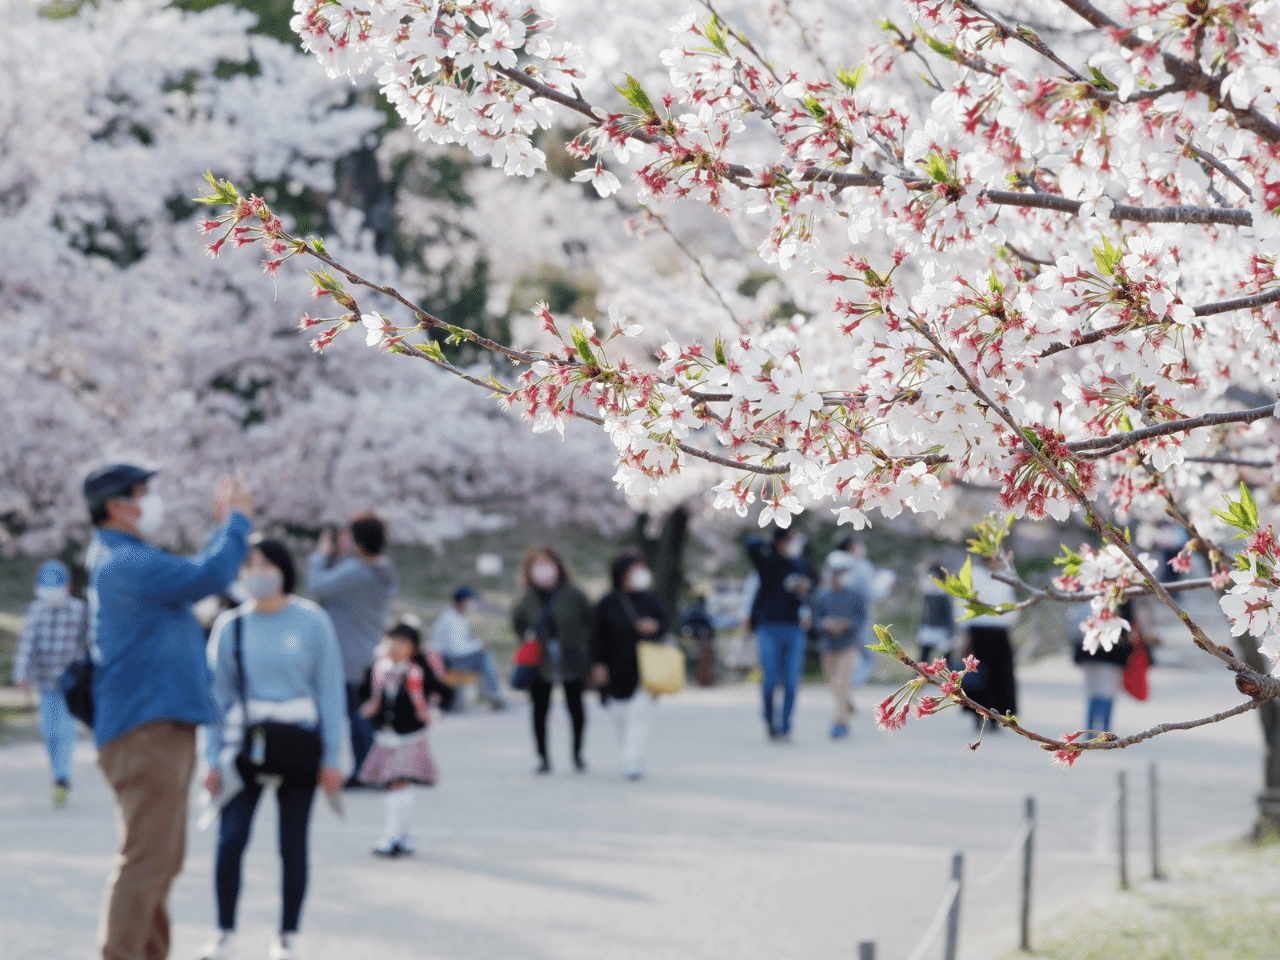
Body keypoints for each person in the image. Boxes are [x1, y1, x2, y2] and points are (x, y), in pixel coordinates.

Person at [84, 463, 253, 960]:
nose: (152, 501)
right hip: (146, 729)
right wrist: (238, 520)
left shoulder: (124, 559)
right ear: (118, 507)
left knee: (159, 861)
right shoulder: (127, 562)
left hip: (152, 727)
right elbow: (211, 573)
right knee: (146, 862)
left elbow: (196, 576)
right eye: (143, 493)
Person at [200, 538, 346, 960]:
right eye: (249, 565)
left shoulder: (312, 621)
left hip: (299, 743)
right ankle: (224, 932)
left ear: (284, 569)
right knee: (231, 840)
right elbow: (216, 696)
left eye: (266, 563)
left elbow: (331, 692)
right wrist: (209, 758)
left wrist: (332, 757)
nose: (257, 572)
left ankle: (286, 936)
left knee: (292, 843)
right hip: (243, 744)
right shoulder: (232, 626)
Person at [307, 514, 398, 784]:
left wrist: (321, 554)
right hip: (371, 648)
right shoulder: (385, 568)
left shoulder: (355, 571)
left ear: (357, 542)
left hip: (348, 656)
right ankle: (371, 769)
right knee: (364, 714)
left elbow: (317, 585)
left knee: (357, 716)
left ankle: (365, 771)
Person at [357, 622, 452, 855]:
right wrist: (367, 708)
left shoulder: (418, 671)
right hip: (385, 736)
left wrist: (433, 710)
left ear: (414, 648)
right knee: (394, 784)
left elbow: (444, 691)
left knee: (399, 781)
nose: (396, 647)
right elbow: (362, 694)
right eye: (392, 641)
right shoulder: (377, 669)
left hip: (410, 736)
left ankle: (390, 837)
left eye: (403, 643)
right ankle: (404, 835)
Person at [512, 545, 594, 774]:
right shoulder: (527, 597)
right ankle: (543, 758)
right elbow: (517, 624)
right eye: (538, 564)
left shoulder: (574, 594)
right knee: (539, 709)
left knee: (576, 707)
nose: (544, 570)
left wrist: (584, 648)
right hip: (539, 660)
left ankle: (577, 754)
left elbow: (590, 622)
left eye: (548, 563)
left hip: (572, 657)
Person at [13, 559, 87, 806]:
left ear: (69, 587)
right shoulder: (36, 610)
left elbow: (86, 644)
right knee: (49, 732)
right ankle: (58, 773)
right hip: (44, 681)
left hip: (70, 683)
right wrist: (21, 675)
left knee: (66, 731)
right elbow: (27, 645)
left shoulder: (79, 610)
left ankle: (63, 778)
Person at [590, 552, 668, 780]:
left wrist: (654, 627)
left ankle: (631, 761)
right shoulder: (607, 603)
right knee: (621, 717)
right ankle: (630, 754)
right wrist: (598, 665)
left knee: (639, 715)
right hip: (614, 668)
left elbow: (664, 623)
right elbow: (596, 636)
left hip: (645, 669)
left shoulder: (651, 600)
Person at [746, 527, 814, 741]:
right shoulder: (767, 563)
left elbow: (813, 585)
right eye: (790, 540)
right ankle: (769, 718)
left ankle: (785, 725)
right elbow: (751, 543)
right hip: (768, 626)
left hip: (794, 628)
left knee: (792, 681)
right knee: (770, 678)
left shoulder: (800, 564)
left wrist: (806, 587)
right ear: (780, 542)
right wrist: (773, 544)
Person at [810, 553, 868, 739]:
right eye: (836, 572)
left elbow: (861, 619)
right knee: (835, 686)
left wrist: (847, 624)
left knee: (841, 683)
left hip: (848, 645)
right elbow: (815, 620)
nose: (839, 576)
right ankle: (846, 704)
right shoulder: (821, 595)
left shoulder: (856, 595)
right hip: (827, 646)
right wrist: (826, 624)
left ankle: (840, 723)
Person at [961, 554, 1020, 730]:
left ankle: (998, 715)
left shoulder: (1005, 577)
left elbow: (1012, 604)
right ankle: (978, 714)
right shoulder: (974, 575)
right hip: (978, 631)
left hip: (999, 632)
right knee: (979, 675)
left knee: (1000, 675)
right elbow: (964, 602)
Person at [428, 586, 508, 709]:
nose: (472, 604)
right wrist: (478, 645)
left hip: (449, 658)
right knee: (484, 657)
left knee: (484, 657)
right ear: (462, 602)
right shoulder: (452, 619)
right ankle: (495, 696)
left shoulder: (456, 617)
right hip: (446, 660)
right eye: (470, 601)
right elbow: (456, 649)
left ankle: (491, 696)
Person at [1071, 600, 1139, 734]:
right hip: (1112, 655)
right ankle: (1104, 732)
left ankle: (1091, 731)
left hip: (1088, 653)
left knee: (1093, 692)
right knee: (1107, 692)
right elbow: (1129, 627)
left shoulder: (1090, 597)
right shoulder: (1121, 600)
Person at [917, 563, 956, 665]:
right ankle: (920, 678)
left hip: (942, 631)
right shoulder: (928, 594)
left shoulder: (943, 595)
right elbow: (924, 615)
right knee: (923, 658)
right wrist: (920, 632)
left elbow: (949, 616)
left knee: (947, 659)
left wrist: (950, 636)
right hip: (928, 629)